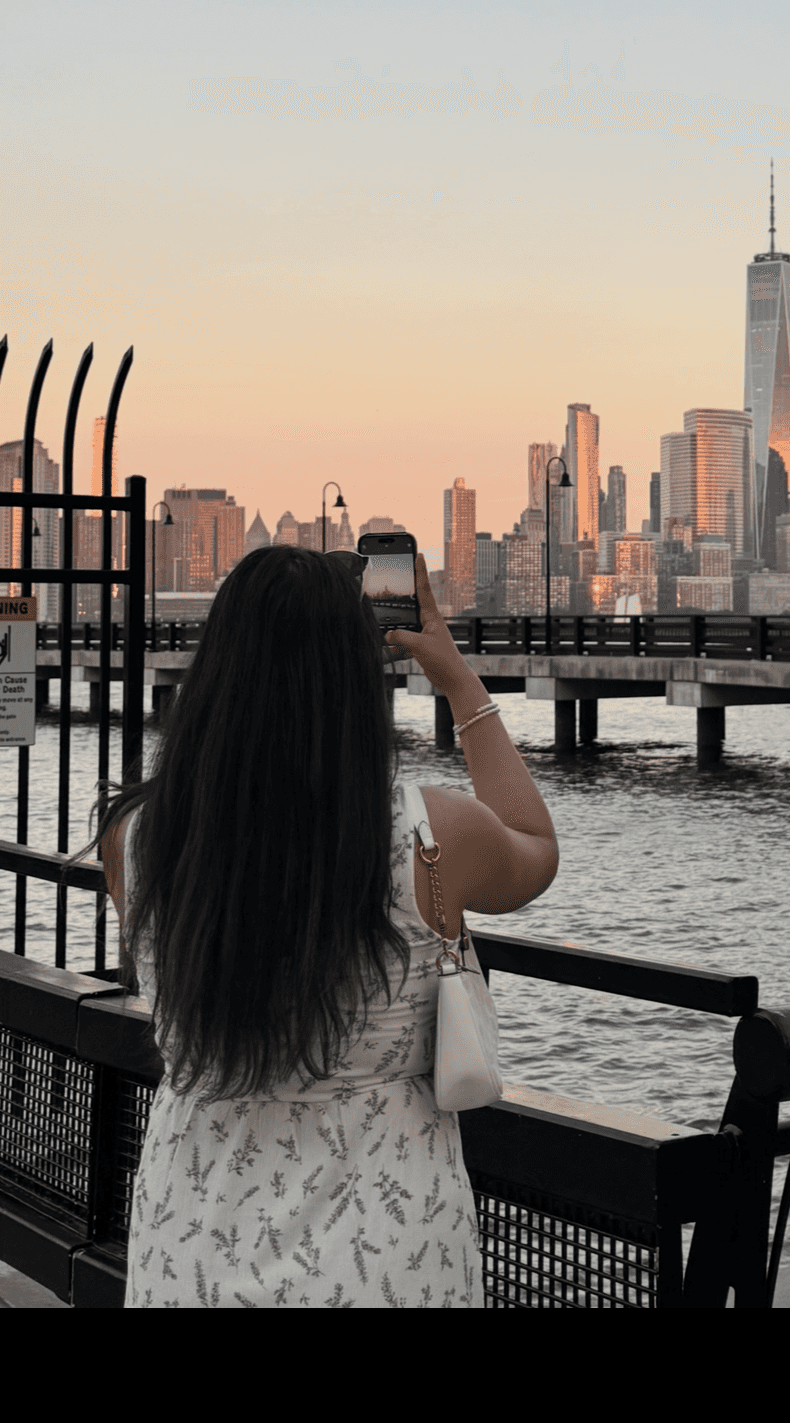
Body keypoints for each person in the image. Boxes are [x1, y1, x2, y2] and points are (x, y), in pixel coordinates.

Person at [98, 546, 558, 1307]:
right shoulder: (428, 833)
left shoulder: (138, 836)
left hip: (194, 1232)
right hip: (384, 1239)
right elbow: (535, 852)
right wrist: (457, 680)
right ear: (354, 677)